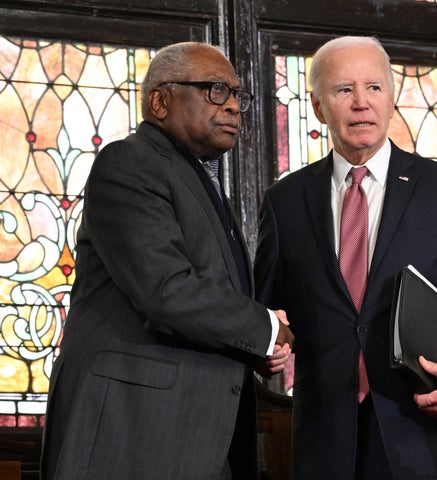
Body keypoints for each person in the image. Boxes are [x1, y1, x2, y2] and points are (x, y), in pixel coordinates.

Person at [254, 36, 437, 479]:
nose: (361, 104)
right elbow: (265, 315)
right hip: (321, 445)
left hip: (425, 436)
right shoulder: (285, 201)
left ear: (392, 97)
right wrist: (266, 347)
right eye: (344, 90)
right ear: (319, 107)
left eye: (374, 88)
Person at [40, 42, 294, 480]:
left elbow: (207, 299)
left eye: (238, 95)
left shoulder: (201, 179)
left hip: (202, 437)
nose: (233, 106)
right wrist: (264, 327)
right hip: (135, 434)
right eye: (215, 90)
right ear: (160, 100)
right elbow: (166, 292)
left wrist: (254, 347)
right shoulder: (131, 162)